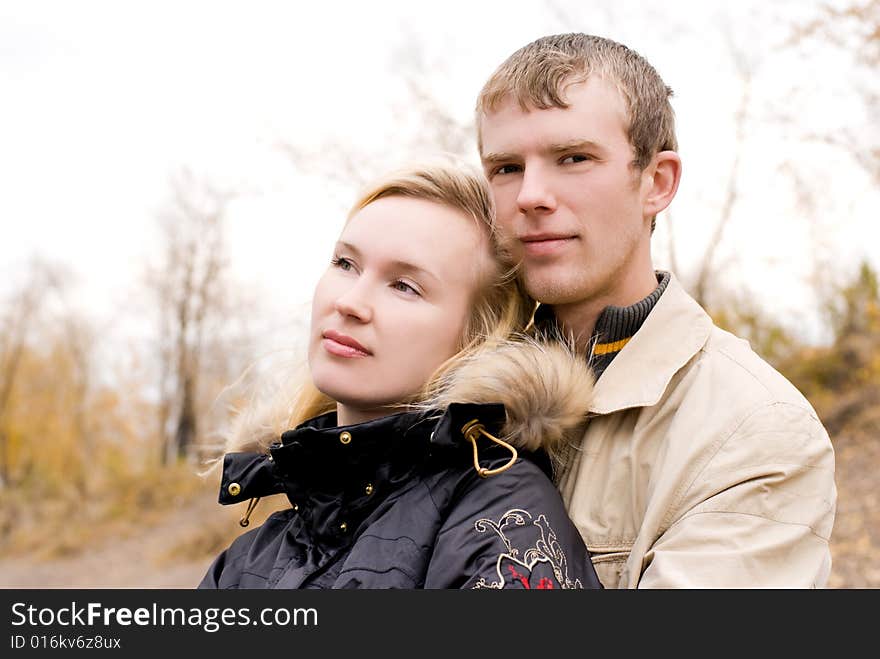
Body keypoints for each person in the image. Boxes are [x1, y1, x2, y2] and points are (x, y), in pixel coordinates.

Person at [475, 33, 837, 588]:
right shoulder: (446, 387)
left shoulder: (752, 428)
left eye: (573, 158)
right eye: (506, 168)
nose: (530, 195)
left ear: (657, 183)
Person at [198, 160, 602, 589]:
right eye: (345, 263)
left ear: (477, 340)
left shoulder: (504, 521)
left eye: (404, 286)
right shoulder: (246, 559)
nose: (351, 301)